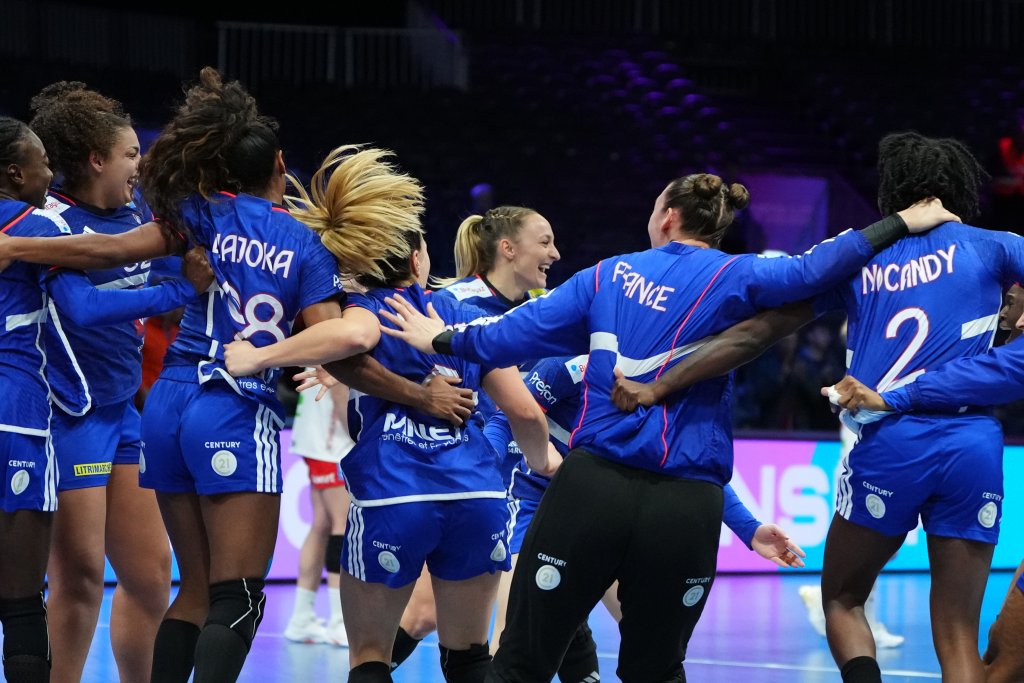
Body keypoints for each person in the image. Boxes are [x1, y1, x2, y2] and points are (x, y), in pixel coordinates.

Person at [375, 171, 953, 682]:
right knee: (657, 670)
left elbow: (506, 336)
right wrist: (902, 222)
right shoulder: (738, 275)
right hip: (686, 505)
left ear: (667, 217)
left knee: (521, 663)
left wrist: (440, 339)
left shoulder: (606, 276)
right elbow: (817, 266)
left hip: (592, 489)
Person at [0, 68, 412, 683]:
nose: (140, 163)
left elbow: (117, 254)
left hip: (153, 405)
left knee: (172, 585)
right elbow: (341, 345)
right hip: (146, 406)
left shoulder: (189, 215)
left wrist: (16, 250)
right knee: (216, 595)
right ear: (279, 164)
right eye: (129, 153)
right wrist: (410, 389)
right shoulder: (302, 243)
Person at [611, 133, 1020, 683]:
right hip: (973, 444)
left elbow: (755, 334)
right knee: (958, 635)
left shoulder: (864, 256)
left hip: (892, 440)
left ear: (893, 190)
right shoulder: (996, 246)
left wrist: (661, 384)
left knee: (843, 600)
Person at [221, 152, 559, 683]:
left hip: (393, 493)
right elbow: (523, 410)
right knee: (470, 656)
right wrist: (545, 463)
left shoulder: (360, 312)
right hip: (477, 495)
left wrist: (265, 356)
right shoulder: (464, 315)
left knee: (370, 657)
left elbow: (349, 342)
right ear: (418, 258)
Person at [28, 80, 212, 683]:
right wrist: (179, 290)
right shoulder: (50, 224)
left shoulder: (137, 217)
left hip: (123, 413)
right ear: (95, 159)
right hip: (67, 416)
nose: (140, 163)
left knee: (152, 577)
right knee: (79, 576)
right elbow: (83, 309)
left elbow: (190, 261)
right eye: (131, 153)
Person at [0, 116, 72, 683]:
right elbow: (91, 297)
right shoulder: (36, 222)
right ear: (14, 173)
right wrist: (177, 283)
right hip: (17, 416)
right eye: (43, 162)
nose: (51, 173)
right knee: (22, 600)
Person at [283, 378, 352, 647]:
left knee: (322, 524)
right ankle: (340, 622)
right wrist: (362, 439)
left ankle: (301, 619)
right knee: (342, 525)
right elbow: (340, 392)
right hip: (332, 443)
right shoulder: (338, 351)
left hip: (317, 439)